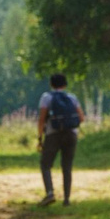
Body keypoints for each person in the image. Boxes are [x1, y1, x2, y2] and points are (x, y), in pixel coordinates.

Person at [35, 73, 81, 205]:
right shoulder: (72, 97)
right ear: (65, 85)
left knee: (45, 164)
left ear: (51, 84)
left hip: (53, 134)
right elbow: (81, 117)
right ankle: (67, 199)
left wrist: (40, 137)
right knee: (67, 166)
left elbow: (42, 119)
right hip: (71, 134)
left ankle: (50, 193)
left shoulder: (46, 97)